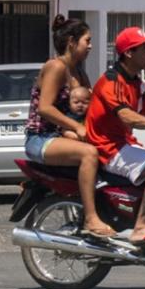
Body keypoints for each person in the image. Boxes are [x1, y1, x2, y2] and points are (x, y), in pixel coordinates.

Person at [85, 26, 145, 244]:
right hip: (108, 148)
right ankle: (141, 227)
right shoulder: (110, 82)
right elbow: (128, 117)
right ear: (129, 53)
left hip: (125, 144)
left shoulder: (137, 83)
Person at [25, 15, 115, 238]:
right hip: (42, 138)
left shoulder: (80, 72)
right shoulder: (56, 67)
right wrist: (78, 127)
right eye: (88, 40)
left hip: (64, 136)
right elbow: (45, 108)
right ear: (72, 42)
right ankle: (91, 219)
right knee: (89, 154)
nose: (91, 46)